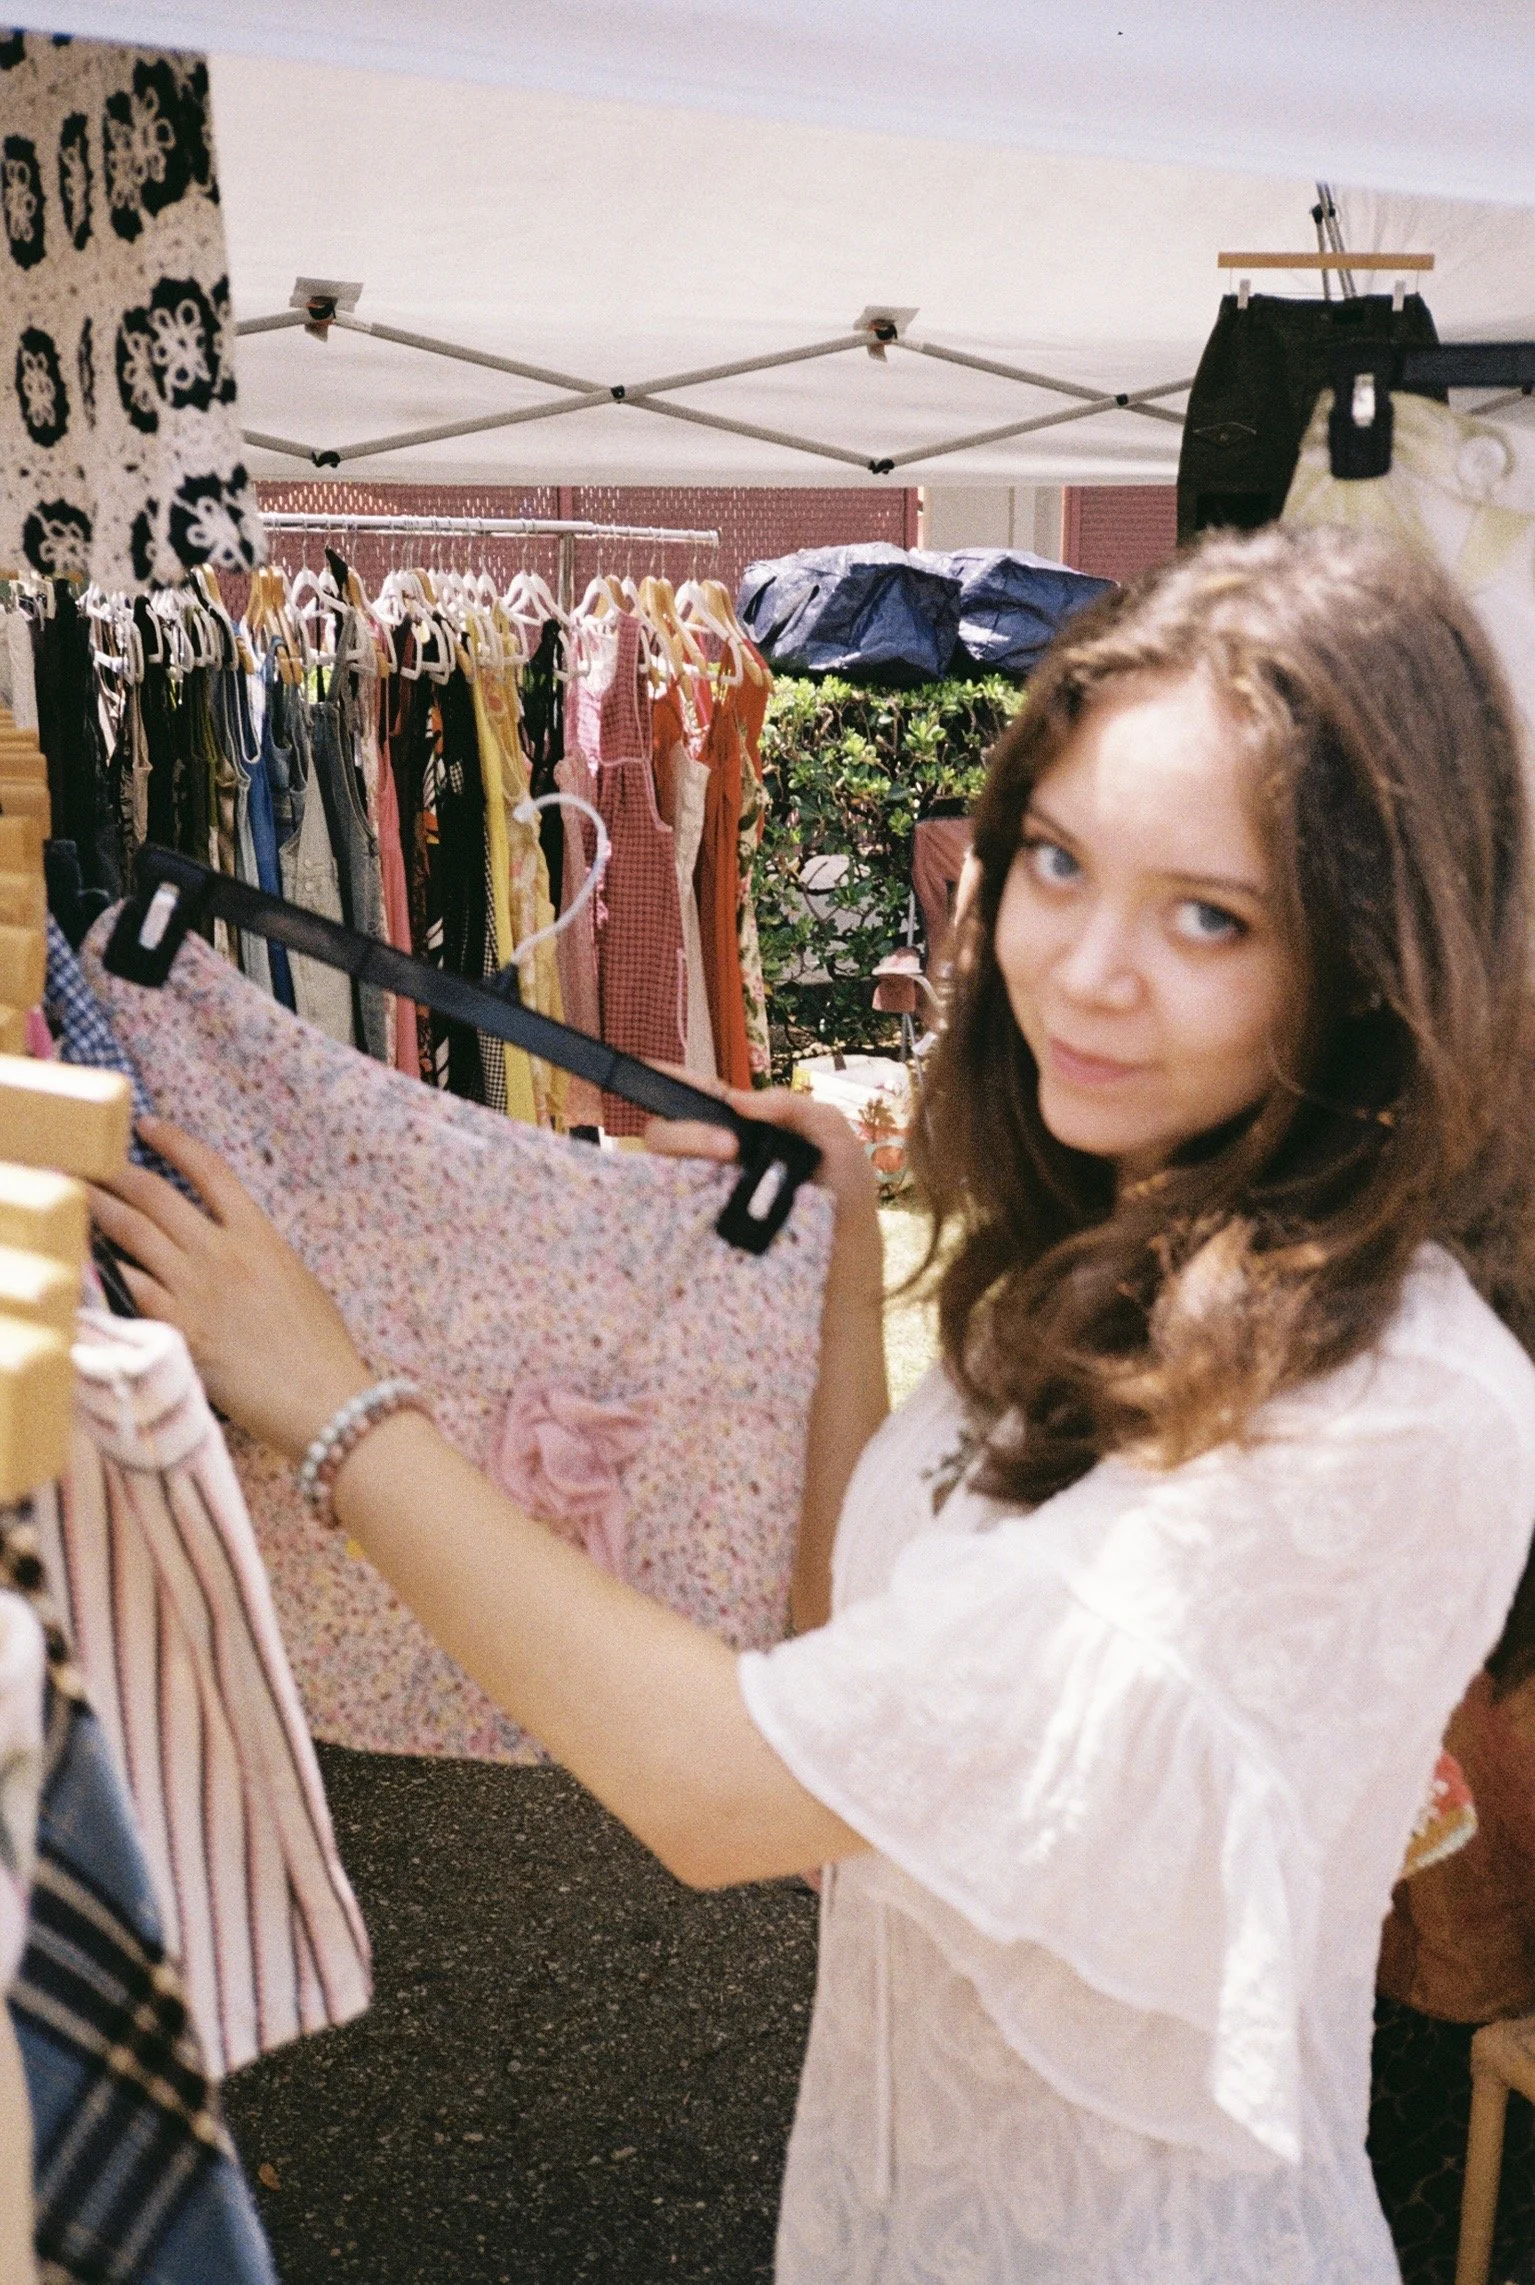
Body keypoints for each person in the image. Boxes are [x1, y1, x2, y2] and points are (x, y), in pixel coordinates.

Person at [90, 524, 1535, 2285]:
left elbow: (729, 1791)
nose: (1081, 967)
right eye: (1056, 863)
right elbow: (849, 1666)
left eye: (1209, 915)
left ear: (1381, 955)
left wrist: (337, 1406)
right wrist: (842, 1268)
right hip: (894, 2205)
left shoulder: (1377, 1408)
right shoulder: (1114, 1253)